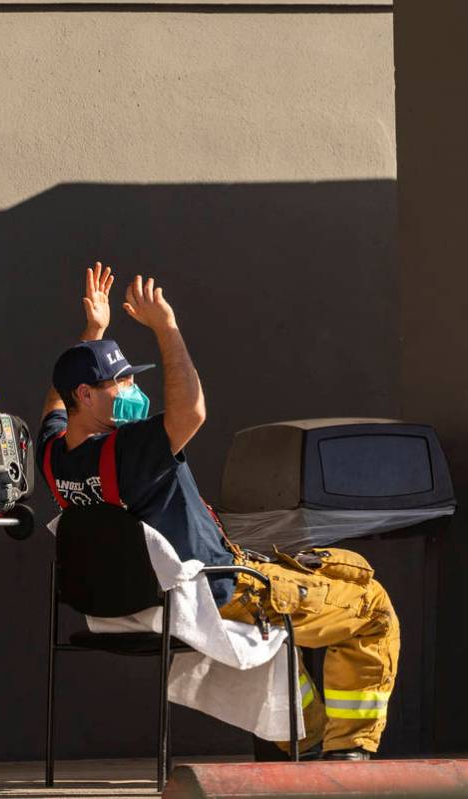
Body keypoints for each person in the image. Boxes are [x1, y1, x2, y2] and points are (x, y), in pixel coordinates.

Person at [38, 263, 399, 761]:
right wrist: (167, 327)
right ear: (87, 395)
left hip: (130, 604)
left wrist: (94, 334)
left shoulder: (54, 457)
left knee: (342, 565)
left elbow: (53, 403)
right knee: (372, 606)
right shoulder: (131, 450)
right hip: (221, 591)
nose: (130, 392)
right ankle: (349, 754)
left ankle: (302, 737)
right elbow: (192, 411)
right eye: (121, 383)